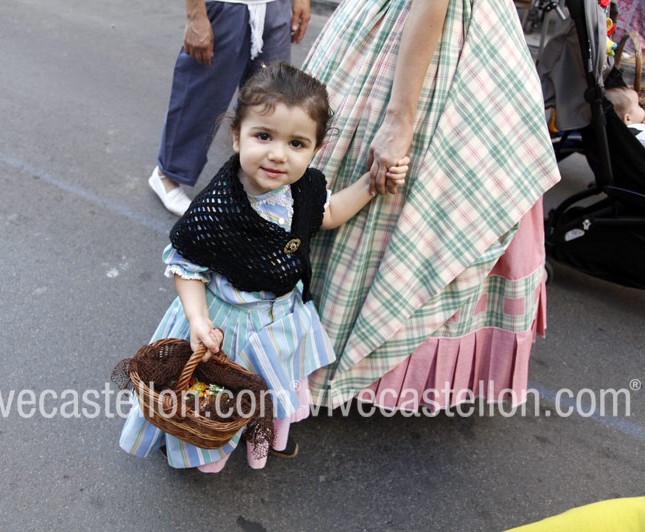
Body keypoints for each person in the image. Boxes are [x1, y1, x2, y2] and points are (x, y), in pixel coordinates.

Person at [119, 62, 410, 471]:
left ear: (315, 149)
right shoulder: (220, 204)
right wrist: (198, 320)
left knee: (269, 387)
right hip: (229, 323)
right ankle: (204, 447)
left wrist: (370, 184)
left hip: (281, 319)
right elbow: (186, 264)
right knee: (216, 394)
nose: (278, 154)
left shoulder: (305, 187)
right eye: (263, 136)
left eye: (297, 144)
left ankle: (264, 434)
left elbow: (327, 214)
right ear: (237, 136)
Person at [300, 0, 562, 412]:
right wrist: (400, 117)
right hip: (438, 38)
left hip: (455, 40)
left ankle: (300, 345)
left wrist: (402, 119)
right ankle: (301, 350)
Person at [147, 0, 313, 216]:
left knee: (272, 100)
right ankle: (167, 174)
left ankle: (255, 188)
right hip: (227, 5)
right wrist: (195, 15)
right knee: (203, 97)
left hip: (276, 5)